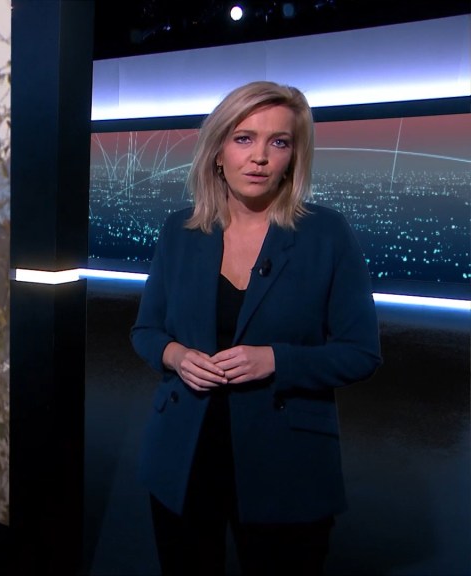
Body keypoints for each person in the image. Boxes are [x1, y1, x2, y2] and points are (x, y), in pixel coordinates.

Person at [131, 81, 381, 575]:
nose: (260, 157)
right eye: (244, 138)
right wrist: (176, 356)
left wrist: (276, 360)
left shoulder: (326, 233)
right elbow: (146, 331)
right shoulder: (180, 230)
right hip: (185, 453)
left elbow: (361, 352)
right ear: (217, 151)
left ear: (294, 156)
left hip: (285, 460)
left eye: (278, 142)